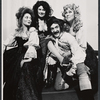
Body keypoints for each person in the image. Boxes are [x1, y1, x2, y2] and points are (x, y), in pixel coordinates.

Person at [46, 16, 94, 100]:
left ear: (60, 27)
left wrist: (74, 66)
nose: (55, 30)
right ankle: (76, 81)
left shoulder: (67, 37)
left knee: (80, 69)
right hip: (65, 65)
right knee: (58, 87)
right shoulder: (53, 38)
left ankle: (87, 92)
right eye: (52, 28)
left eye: (56, 27)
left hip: (75, 61)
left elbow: (77, 52)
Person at [3, 7, 42, 100]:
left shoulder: (32, 31)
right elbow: (7, 43)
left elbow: (33, 46)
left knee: (25, 67)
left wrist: (27, 59)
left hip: (29, 57)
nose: (29, 20)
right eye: (26, 17)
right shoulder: (16, 32)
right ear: (21, 19)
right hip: (16, 56)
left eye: (30, 18)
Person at [62, 3, 98, 94]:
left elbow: (82, 48)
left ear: (75, 14)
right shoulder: (64, 28)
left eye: (70, 12)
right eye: (66, 12)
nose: (67, 14)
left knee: (82, 70)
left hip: (84, 53)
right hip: (71, 53)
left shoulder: (79, 28)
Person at [32, 1, 54, 87]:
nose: (41, 11)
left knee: (45, 54)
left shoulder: (49, 20)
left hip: (47, 42)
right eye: (39, 9)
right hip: (36, 41)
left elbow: (59, 23)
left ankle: (46, 79)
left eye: (43, 10)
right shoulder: (33, 20)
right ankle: (38, 79)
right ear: (36, 10)